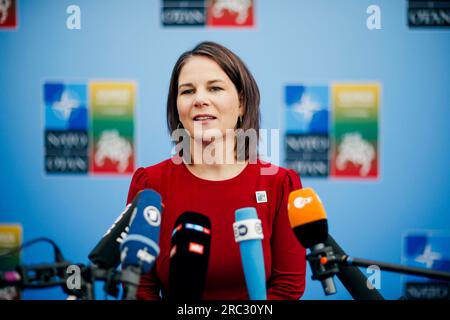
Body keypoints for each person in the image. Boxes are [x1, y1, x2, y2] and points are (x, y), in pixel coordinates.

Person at [126, 41, 306, 300]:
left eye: (215, 88)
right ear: (177, 107)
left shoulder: (279, 184)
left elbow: (288, 288)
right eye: (187, 91)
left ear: (242, 103)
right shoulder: (150, 184)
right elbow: (139, 288)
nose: (200, 99)